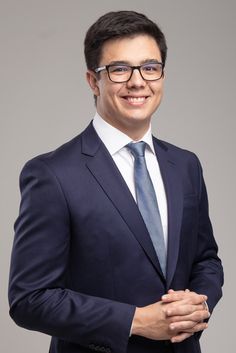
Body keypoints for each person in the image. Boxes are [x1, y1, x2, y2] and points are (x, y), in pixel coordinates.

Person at [8, 10, 223, 353]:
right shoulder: (52, 174)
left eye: (150, 67)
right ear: (94, 81)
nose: (138, 82)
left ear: (162, 75)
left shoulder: (185, 165)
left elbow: (206, 260)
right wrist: (135, 321)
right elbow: (29, 299)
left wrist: (199, 304)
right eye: (120, 69)